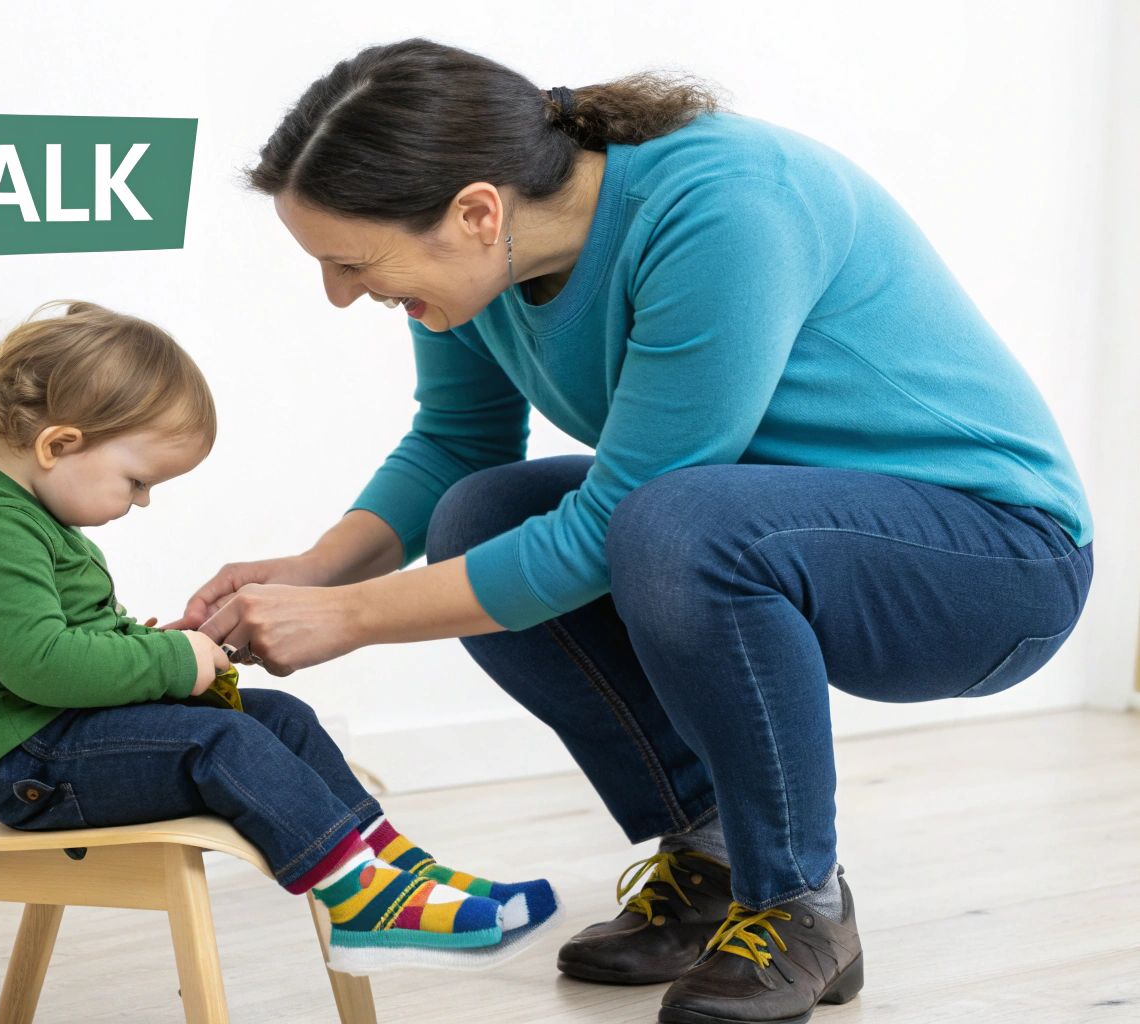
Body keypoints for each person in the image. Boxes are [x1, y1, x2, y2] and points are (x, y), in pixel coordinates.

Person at [166, 39, 1094, 1024]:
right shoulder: (477, 267)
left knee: (673, 518)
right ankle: (711, 861)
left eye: (350, 263)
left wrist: (348, 617)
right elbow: (454, 445)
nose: (339, 293)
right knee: (481, 512)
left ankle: (796, 900)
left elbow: (620, 519)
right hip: (769, 529)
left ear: (476, 211)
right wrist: (313, 574)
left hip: (995, 558)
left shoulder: (722, 206)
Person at [0, 299, 562, 974]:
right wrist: (170, 661)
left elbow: (62, 644)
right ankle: (363, 904)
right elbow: (42, 666)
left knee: (280, 717)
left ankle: (398, 871)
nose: (143, 500)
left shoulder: (19, 516)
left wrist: (155, 649)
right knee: (225, 738)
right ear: (58, 445)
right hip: (32, 767)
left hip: (64, 739)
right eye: (138, 481)